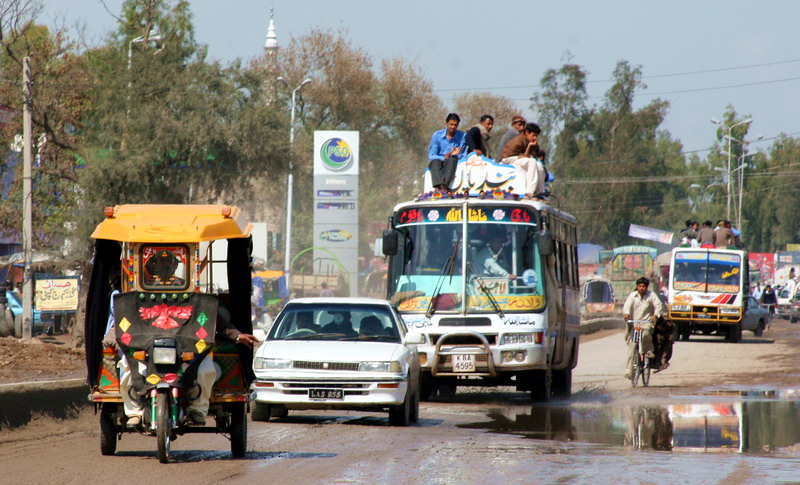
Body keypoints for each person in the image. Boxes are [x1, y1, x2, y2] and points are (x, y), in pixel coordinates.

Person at [104, 304, 258, 427]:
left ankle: (197, 409)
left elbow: (216, 320)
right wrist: (113, 337)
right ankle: (134, 412)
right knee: (127, 368)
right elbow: (121, 323)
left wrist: (237, 336)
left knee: (206, 370)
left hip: (189, 351)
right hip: (146, 351)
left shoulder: (195, 301)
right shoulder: (138, 301)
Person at [622, 277, 665, 378]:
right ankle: (629, 371)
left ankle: (648, 351)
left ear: (646, 287)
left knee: (646, 335)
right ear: (637, 287)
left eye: (643, 286)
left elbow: (658, 306)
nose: (641, 288)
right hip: (634, 323)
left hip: (646, 323)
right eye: (640, 286)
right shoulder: (633, 296)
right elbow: (627, 306)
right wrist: (626, 313)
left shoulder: (651, 295)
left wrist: (655, 315)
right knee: (632, 347)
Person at [500, 122, 546, 199]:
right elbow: (525, 157)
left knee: (539, 166)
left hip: (521, 159)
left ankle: (539, 193)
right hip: (509, 159)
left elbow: (531, 156)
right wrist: (529, 147)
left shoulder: (531, 142)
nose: (535, 138)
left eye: (536, 136)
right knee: (532, 162)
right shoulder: (518, 140)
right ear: (527, 133)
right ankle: (529, 192)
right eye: (533, 135)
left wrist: (532, 147)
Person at [428, 113, 466, 191]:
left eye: (455, 125)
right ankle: (440, 187)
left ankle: (443, 187)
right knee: (435, 162)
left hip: (453, 161)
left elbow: (464, 155)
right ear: (446, 123)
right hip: (439, 161)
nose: (453, 127)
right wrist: (444, 157)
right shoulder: (437, 135)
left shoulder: (462, 136)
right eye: (451, 124)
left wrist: (456, 154)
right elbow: (432, 155)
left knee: (452, 160)